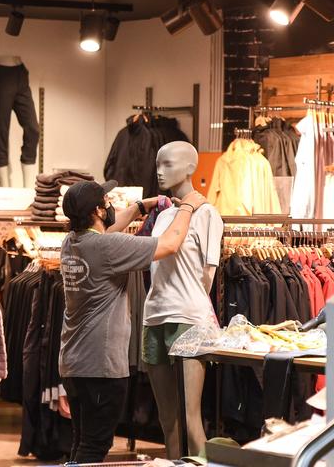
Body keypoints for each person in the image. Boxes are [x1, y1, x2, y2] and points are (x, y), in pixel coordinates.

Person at [59, 178, 207, 463]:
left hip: (73, 363)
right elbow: (170, 243)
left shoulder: (72, 242)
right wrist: (188, 206)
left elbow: (108, 231)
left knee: (83, 441)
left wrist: (140, 206)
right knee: (94, 447)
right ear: (98, 212)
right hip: (100, 367)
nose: (111, 206)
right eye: (106, 203)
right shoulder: (108, 248)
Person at [143, 142, 223, 459]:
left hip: (189, 318)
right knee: (167, 419)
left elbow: (208, 274)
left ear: (190, 167)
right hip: (154, 317)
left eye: (168, 163)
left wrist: (184, 296)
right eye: (158, 163)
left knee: (191, 419)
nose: (159, 170)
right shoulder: (163, 217)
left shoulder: (206, 214)